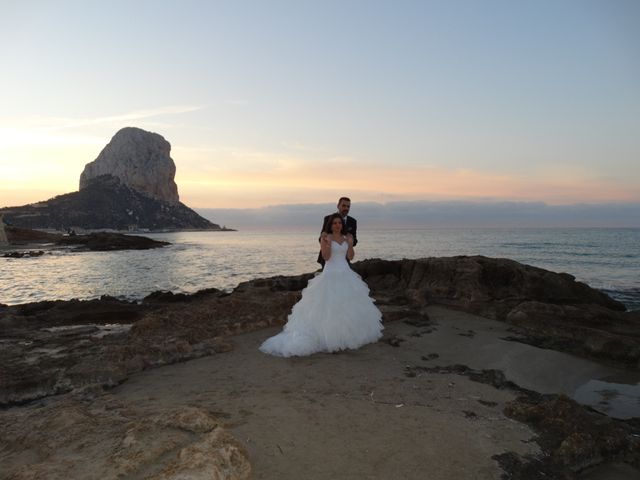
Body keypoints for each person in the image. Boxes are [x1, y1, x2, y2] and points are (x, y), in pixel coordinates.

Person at [260, 213, 383, 357]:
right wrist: (327, 243)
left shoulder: (346, 238)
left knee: (347, 307)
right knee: (329, 307)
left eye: (339, 223)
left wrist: (350, 244)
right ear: (330, 225)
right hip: (330, 273)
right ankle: (330, 338)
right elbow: (326, 257)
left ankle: (345, 335)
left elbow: (350, 257)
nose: (337, 225)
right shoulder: (325, 238)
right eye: (334, 223)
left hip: (346, 273)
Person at [317, 197, 357, 268]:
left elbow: (355, 241)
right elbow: (321, 237)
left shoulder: (353, 221)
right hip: (327, 260)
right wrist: (325, 239)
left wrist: (350, 240)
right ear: (338, 206)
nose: (346, 208)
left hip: (344, 259)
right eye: (344, 206)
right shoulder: (328, 218)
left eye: (348, 206)